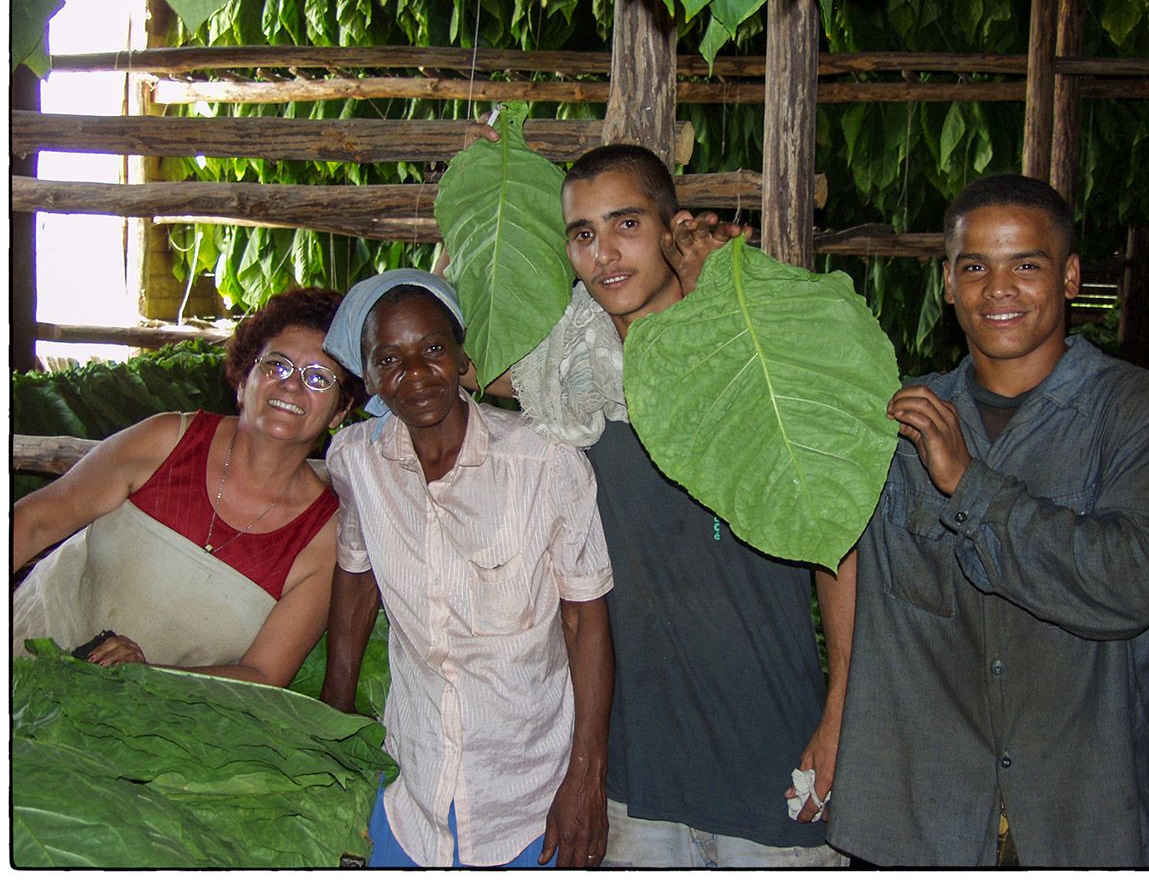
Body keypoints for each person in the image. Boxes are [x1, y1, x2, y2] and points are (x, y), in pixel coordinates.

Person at [456, 136, 851, 867]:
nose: (605, 253)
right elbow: (459, 345)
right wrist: (492, 199)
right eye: (583, 233)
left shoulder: (759, 361)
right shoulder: (570, 373)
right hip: (635, 785)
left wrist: (840, 717)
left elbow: (837, 546)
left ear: (672, 228)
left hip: (773, 768)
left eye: (626, 224)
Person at [826, 174, 1149, 867]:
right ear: (949, 284)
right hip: (919, 824)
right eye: (975, 266)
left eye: (1026, 264)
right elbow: (816, 530)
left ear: (1072, 276)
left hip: (1077, 823)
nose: (999, 290)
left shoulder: (1141, 413)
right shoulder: (898, 420)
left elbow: (1133, 585)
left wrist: (970, 484)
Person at [317, 270, 615, 868]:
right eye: (388, 359)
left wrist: (586, 778)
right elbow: (356, 581)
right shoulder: (357, 461)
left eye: (432, 350)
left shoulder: (544, 463)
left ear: (462, 358)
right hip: (410, 787)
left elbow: (587, 624)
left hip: (529, 795)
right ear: (368, 375)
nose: (416, 374)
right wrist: (335, 718)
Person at [12, 288, 363, 686]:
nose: (292, 387)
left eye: (319, 378)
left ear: (339, 411)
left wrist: (150, 675)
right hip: (23, 661)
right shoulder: (167, 442)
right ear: (243, 379)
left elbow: (262, 675)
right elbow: (33, 522)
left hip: (143, 726)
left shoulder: (321, 538)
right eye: (276, 366)